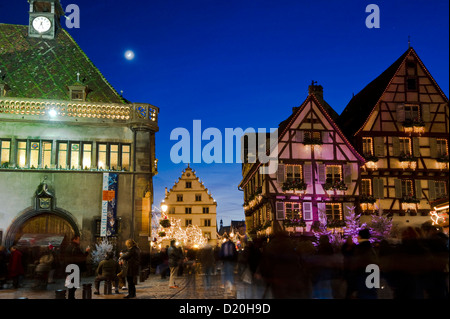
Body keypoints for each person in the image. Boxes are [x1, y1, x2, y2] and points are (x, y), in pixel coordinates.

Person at [352, 228, 378, 299]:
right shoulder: (372, 249)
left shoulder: (359, 249)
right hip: (372, 278)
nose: (357, 237)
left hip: (362, 277)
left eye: (358, 235)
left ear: (361, 236)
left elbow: (355, 265)